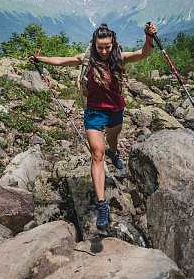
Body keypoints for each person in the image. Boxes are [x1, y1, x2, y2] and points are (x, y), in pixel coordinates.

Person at [28, 22, 158, 229]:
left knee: (112, 139)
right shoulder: (87, 59)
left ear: (113, 44)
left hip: (115, 110)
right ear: (94, 45)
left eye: (108, 47)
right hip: (94, 113)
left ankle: (114, 153)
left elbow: (144, 53)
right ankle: (102, 205)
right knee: (97, 154)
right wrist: (40, 59)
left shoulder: (120, 58)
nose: (104, 51)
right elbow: (62, 61)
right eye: (100, 47)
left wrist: (149, 37)